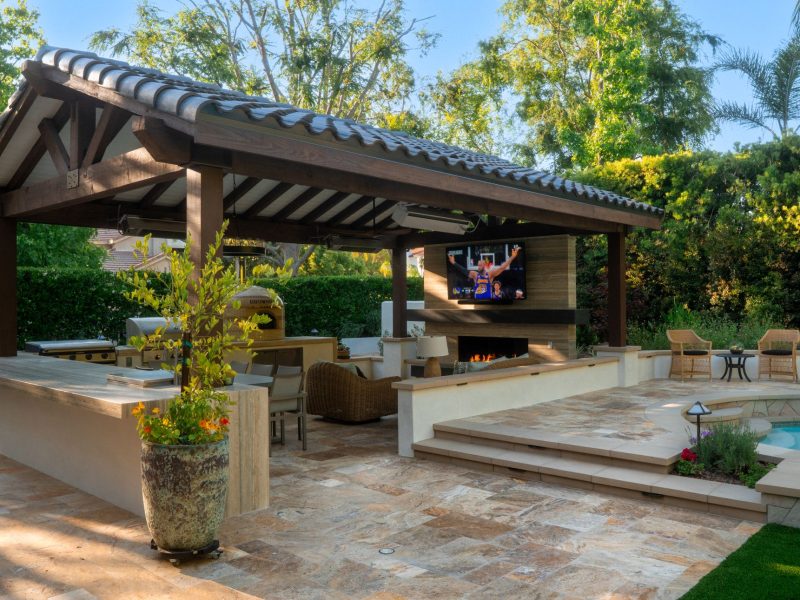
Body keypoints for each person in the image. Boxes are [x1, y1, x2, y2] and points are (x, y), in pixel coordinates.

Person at [448, 245, 521, 300]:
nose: (478, 267)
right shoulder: (475, 274)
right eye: (478, 265)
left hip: (488, 300)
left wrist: (512, 257)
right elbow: (464, 270)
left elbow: (502, 267)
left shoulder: (490, 274)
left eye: (480, 265)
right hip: (477, 300)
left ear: (484, 266)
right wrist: (454, 263)